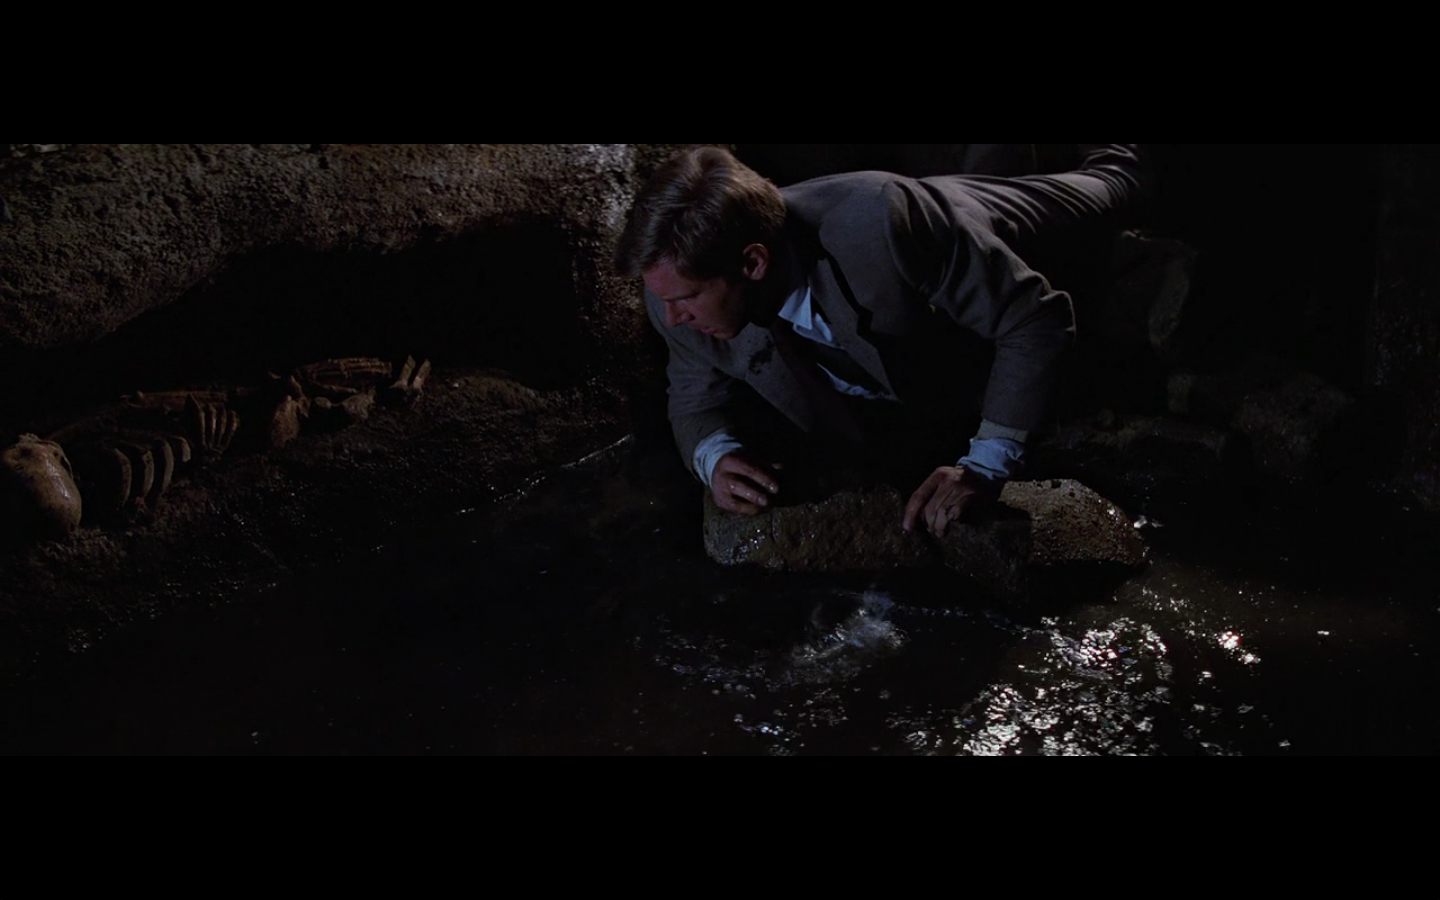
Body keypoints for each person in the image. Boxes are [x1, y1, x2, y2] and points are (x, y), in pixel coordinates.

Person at [615, 144, 1146, 538]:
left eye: (687, 299)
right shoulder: (672, 291)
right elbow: (694, 400)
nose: (672, 319)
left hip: (958, 217)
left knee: (1118, 181)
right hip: (926, 244)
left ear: (753, 264)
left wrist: (985, 464)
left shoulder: (881, 226)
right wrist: (715, 456)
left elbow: (1034, 319)